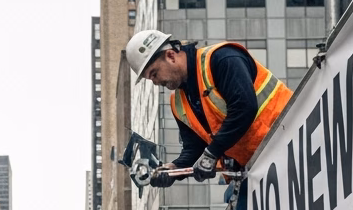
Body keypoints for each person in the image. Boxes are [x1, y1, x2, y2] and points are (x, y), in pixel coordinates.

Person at [123, 29, 291, 188]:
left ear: (171, 55)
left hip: (289, 140)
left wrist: (212, 153)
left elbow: (244, 108)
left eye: (154, 74)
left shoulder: (221, 59)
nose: (156, 82)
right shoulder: (178, 102)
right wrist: (173, 169)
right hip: (254, 169)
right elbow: (195, 148)